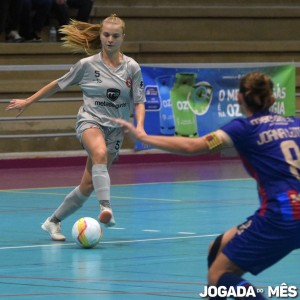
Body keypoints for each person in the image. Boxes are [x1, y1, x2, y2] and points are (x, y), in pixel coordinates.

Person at [113, 72, 300, 299]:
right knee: (217, 247)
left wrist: (144, 137)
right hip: (289, 211)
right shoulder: (294, 123)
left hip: (283, 214)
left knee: (218, 276)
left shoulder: (243, 128)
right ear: (272, 99)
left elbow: (194, 146)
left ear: (239, 98)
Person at [5, 14, 146, 241]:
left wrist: (140, 127)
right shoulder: (87, 65)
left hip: (115, 130)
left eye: (115, 36)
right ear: (100, 36)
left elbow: (139, 101)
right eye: (106, 34)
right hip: (89, 121)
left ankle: (52, 222)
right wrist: (27, 101)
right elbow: (56, 84)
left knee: (88, 185)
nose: (110, 39)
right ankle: (105, 208)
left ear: (123, 38)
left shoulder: (132, 68)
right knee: (98, 152)